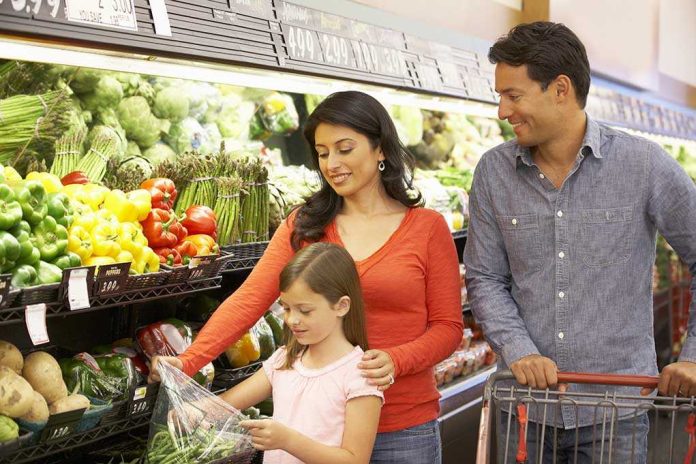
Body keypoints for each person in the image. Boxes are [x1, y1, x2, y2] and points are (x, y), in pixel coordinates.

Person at [150, 90, 463, 463]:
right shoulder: (305, 225)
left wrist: (397, 360)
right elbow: (250, 300)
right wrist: (188, 361)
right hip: (315, 434)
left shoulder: (427, 228)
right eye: (323, 152)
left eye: (345, 148)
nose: (332, 163)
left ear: (380, 149)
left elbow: (448, 328)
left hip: (402, 430)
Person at [463, 21, 696, 463]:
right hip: (525, 414)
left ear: (561, 89)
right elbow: (484, 277)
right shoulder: (493, 173)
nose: (502, 110)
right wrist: (520, 351)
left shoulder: (643, 165)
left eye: (513, 95)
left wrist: (695, 356)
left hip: (616, 414)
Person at [209, 243, 381, 463]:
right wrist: (196, 409)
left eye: (305, 310)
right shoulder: (285, 359)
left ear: (341, 306)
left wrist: (288, 440)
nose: (292, 320)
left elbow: (355, 460)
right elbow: (226, 403)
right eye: (287, 308)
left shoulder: (360, 374)